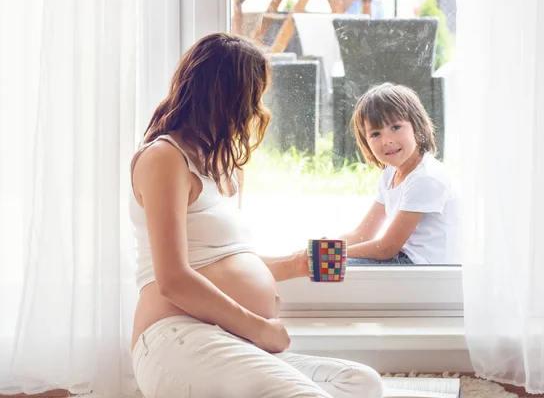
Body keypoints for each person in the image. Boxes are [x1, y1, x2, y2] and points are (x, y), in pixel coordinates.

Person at [129, 33, 383, 398]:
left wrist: (299, 263)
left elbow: (224, 260)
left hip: (231, 338)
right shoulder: (164, 158)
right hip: (176, 336)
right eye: (254, 95)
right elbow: (173, 279)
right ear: (226, 96)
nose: (257, 109)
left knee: (361, 382)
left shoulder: (225, 167)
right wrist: (259, 328)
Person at [341, 83, 460, 266]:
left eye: (395, 127)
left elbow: (387, 248)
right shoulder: (390, 175)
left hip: (425, 269)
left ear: (417, 127)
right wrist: (323, 247)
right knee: (320, 266)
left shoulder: (426, 177)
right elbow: (363, 234)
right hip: (405, 260)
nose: (387, 140)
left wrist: (335, 254)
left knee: (336, 269)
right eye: (375, 134)